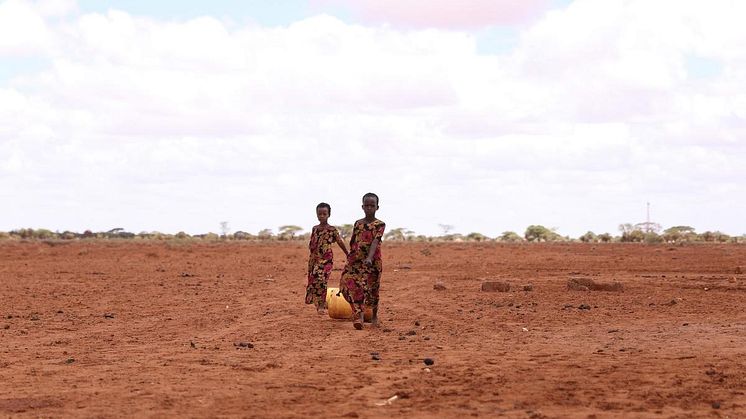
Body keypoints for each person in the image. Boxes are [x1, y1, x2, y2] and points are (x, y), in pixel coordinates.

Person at [340, 192, 386, 330]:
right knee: (348, 282)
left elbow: (375, 241)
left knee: (372, 289)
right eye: (367, 205)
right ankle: (358, 315)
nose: (369, 208)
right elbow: (354, 241)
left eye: (372, 205)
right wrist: (351, 256)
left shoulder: (380, 224)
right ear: (362, 206)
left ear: (377, 207)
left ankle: (374, 316)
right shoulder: (358, 223)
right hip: (356, 260)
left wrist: (370, 258)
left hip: (372, 261)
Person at [305, 202, 349, 314]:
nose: (322, 216)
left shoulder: (332, 230)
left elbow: (339, 241)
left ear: (329, 214)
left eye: (324, 214)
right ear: (316, 214)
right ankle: (318, 303)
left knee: (322, 280)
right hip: (314, 259)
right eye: (319, 214)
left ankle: (321, 305)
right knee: (313, 280)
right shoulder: (315, 228)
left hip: (326, 259)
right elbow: (312, 243)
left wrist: (347, 253)